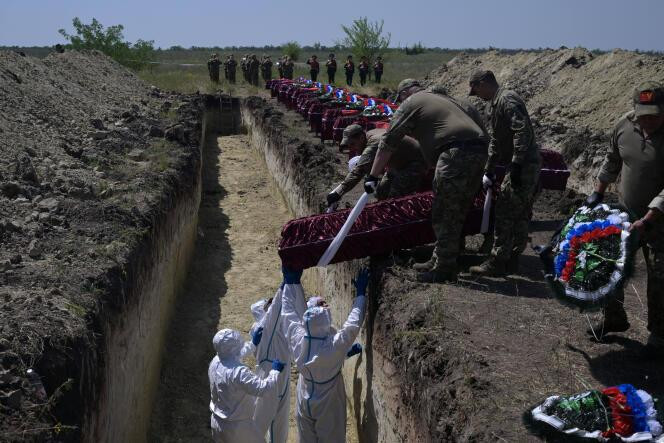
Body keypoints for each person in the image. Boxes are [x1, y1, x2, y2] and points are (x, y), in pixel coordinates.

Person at [365, 79, 489, 283]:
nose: (401, 101)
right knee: (458, 208)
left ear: (405, 93)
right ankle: (441, 258)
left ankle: (444, 268)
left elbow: (389, 141)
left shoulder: (412, 102)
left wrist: (372, 176)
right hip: (478, 151)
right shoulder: (446, 100)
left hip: (456, 152)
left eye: (401, 98)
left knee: (444, 210)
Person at [584, 81, 664, 354]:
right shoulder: (623, 126)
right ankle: (614, 317)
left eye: (655, 114)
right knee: (609, 265)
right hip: (627, 214)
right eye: (644, 114)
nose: (649, 120)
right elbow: (612, 160)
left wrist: (650, 217)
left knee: (659, 277)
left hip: (660, 220)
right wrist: (598, 191)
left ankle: (659, 337)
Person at [466, 70, 541, 277]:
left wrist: (516, 163)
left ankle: (499, 261)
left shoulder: (507, 99)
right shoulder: (494, 103)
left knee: (506, 211)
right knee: (519, 212)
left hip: (524, 164)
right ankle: (510, 259)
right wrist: (489, 169)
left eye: (476, 89)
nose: (476, 95)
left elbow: (521, 131)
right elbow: (497, 141)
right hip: (520, 163)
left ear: (483, 83)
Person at [281, 267, 369, 443]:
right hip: (328, 400)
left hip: (304, 395)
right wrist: (360, 294)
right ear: (325, 321)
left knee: (307, 438)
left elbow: (287, 313)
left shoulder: (299, 339)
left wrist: (290, 283)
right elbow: (353, 324)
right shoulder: (334, 345)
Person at [250, 285, 307, 443]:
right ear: (263, 313)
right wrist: (285, 285)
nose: (272, 304)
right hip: (268, 378)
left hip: (282, 377)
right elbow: (275, 311)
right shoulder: (264, 329)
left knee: (280, 424)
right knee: (259, 423)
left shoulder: (276, 331)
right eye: (268, 304)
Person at [208, 329, 285, 443]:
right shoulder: (239, 372)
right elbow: (263, 389)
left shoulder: (215, 361)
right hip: (237, 428)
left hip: (216, 422)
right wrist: (275, 371)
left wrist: (252, 344)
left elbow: (234, 356)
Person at [326, 125, 426, 206]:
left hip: (414, 163)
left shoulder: (374, 143)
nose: (352, 148)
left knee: (395, 197)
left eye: (353, 144)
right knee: (381, 192)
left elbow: (358, 171)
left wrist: (338, 193)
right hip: (397, 164)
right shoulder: (367, 136)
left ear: (361, 137)